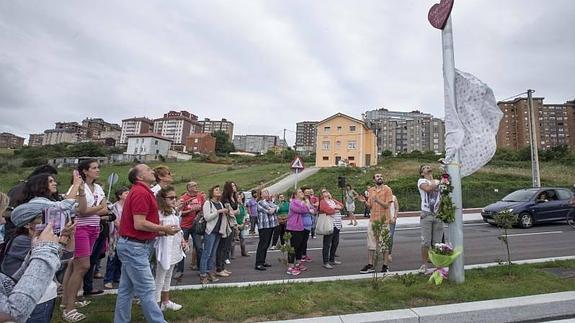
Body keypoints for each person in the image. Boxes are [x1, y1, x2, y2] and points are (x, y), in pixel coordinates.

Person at [4, 173, 81, 323]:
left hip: (45, 295)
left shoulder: (42, 240)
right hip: (31, 299)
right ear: (27, 224)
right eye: (43, 219)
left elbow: (65, 256)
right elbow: (45, 263)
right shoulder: (22, 241)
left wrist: (67, 236)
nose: (49, 223)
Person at [114, 164, 180, 323]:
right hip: (135, 247)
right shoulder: (141, 193)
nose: (152, 170)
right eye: (148, 169)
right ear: (140, 177)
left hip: (133, 245)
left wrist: (160, 231)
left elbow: (139, 224)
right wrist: (162, 227)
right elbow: (139, 223)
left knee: (126, 290)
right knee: (147, 290)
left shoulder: (142, 191)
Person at [0, 223, 63, 323]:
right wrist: (46, 250)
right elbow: (11, 316)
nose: (3, 221)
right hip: (36, 302)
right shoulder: (21, 240)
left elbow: (8, 283)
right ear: (28, 224)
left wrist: (62, 241)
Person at [5, 165, 59, 242]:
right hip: (22, 233)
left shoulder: (21, 189)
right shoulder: (26, 193)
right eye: (50, 180)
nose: (55, 183)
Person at [154, 186, 185, 311]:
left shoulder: (172, 211)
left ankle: (165, 301)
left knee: (168, 275)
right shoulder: (158, 213)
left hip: (174, 247)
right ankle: (155, 307)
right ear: (163, 199)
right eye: (171, 198)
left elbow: (178, 229)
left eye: (175, 197)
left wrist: (182, 240)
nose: (174, 200)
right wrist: (165, 232)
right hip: (164, 248)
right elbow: (153, 231)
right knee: (160, 278)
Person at [360, 173, 394, 274]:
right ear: (374, 179)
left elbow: (387, 205)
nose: (380, 177)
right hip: (373, 220)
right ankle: (370, 265)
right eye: (377, 176)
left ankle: (385, 265)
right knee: (371, 243)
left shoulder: (387, 189)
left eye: (381, 176)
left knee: (384, 244)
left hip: (384, 220)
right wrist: (364, 202)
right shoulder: (371, 190)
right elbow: (370, 206)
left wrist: (377, 200)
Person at [174, 181, 205, 278]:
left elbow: (204, 209)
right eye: (194, 186)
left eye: (196, 185)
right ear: (189, 188)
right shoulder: (183, 198)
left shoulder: (200, 196)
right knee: (182, 247)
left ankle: (201, 269)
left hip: (196, 225)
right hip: (185, 225)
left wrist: (200, 213)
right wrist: (191, 210)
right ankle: (180, 270)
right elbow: (180, 213)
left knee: (199, 247)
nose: (196, 187)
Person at [199, 185, 228, 284]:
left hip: (218, 231)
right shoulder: (208, 203)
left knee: (213, 253)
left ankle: (210, 272)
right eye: (216, 190)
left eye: (219, 190)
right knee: (206, 253)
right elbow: (207, 217)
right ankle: (203, 275)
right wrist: (219, 211)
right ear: (211, 192)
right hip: (210, 231)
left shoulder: (220, 203)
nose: (219, 191)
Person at [417, 165, 443, 274]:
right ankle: (424, 265)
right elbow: (428, 189)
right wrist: (439, 182)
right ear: (422, 173)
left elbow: (443, 195)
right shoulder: (421, 181)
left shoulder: (438, 181)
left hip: (437, 214)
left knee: (437, 243)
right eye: (425, 168)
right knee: (426, 242)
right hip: (426, 214)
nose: (428, 168)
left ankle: (438, 266)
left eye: (429, 166)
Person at [103, 187, 129, 289]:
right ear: (120, 195)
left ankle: (117, 276)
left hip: (125, 234)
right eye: (126, 193)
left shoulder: (129, 206)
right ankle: (108, 279)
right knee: (112, 256)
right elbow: (114, 221)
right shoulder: (114, 207)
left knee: (121, 257)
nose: (128, 194)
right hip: (115, 235)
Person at [285, 189, 310, 276]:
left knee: (300, 246)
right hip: (293, 227)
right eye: (300, 192)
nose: (302, 193)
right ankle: (290, 267)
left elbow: (308, 209)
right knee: (293, 247)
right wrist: (305, 204)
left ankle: (298, 263)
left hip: (300, 227)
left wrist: (305, 204)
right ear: (295, 195)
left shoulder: (302, 202)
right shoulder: (293, 202)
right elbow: (303, 210)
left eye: (302, 192)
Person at [319, 189, 344, 269]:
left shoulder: (332, 200)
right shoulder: (323, 201)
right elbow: (326, 210)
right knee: (327, 244)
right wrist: (335, 209)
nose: (326, 193)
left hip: (337, 224)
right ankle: (325, 262)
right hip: (330, 224)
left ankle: (332, 259)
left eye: (327, 191)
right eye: (324, 192)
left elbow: (341, 205)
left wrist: (335, 206)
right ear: (322, 195)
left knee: (335, 242)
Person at [254, 190, 278, 271]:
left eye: (267, 193)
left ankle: (263, 261)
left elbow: (277, 207)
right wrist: (273, 208)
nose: (266, 194)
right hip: (264, 227)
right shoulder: (260, 202)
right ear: (261, 195)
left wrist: (273, 208)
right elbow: (270, 211)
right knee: (262, 245)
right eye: (264, 193)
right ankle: (258, 263)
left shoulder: (269, 202)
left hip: (270, 226)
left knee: (266, 244)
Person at [231, 191, 250, 258]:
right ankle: (232, 254)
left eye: (241, 197)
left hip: (241, 224)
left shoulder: (242, 206)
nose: (240, 199)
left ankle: (243, 252)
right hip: (235, 224)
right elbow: (233, 216)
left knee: (243, 238)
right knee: (233, 239)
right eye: (238, 197)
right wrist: (237, 225)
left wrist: (244, 223)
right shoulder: (235, 206)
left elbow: (245, 215)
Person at [300, 187, 316, 263]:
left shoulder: (309, 200)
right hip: (302, 222)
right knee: (302, 240)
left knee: (305, 240)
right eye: (307, 192)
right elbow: (305, 210)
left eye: (309, 192)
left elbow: (313, 209)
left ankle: (304, 254)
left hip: (309, 222)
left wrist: (312, 210)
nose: (308, 193)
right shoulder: (302, 201)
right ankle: (301, 255)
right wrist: (310, 210)